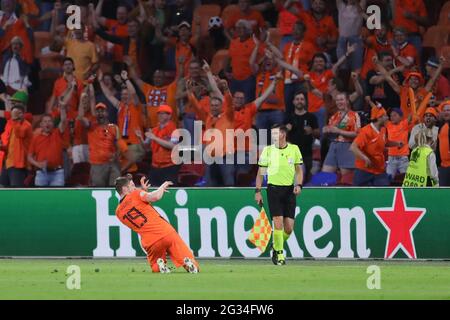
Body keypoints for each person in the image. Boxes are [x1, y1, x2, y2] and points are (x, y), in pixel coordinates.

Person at [115, 174, 199, 273]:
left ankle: (160, 265)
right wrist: (162, 187)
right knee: (193, 264)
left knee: (155, 266)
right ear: (125, 189)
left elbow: (137, 211)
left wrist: (143, 192)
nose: (135, 187)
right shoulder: (136, 194)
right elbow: (155, 197)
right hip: (166, 232)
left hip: (151, 242)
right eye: (132, 185)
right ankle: (188, 263)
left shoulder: (118, 212)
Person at [255, 124, 303, 266]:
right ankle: (280, 256)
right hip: (273, 189)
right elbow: (260, 173)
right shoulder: (268, 151)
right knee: (278, 222)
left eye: (275, 133)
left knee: (289, 228)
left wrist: (298, 185)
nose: (273, 136)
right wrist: (258, 191)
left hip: (289, 191)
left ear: (283, 134)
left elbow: (299, 171)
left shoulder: (294, 149)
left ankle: (276, 245)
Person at [350, 105, 402, 186]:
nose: (388, 118)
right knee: (358, 196)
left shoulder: (383, 129)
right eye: (385, 116)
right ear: (379, 118)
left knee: (382, 194)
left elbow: (385, 142)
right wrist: (365, 158)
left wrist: (397, 143)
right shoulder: (366, 131)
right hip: (364, 171)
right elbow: (353, 147)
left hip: (379, 170)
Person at [79, 102, 121, 187]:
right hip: (97, 165)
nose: (100, 113)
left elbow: (119, 145)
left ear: (107, 113)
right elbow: (80, 118)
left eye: (102, 111)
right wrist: (82, 100)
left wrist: (116, 156)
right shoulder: (91, 126)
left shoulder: (114, 127)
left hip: (113, 164)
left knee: (116, 190)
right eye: (98, 111)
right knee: (99, 190)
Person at [322, 92, 361, 181]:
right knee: (325, 177)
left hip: (347, 147)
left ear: (347, 101)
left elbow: (357, 134)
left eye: (341, 99)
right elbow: (331, 133)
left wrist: (339, 131)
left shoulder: (354, 115)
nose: (339, 102)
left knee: (346, 179)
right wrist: (326, 130)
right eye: (337, 100)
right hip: (333, 146)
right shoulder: (333, 117)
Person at [27, 106, 67, 187]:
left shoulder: (57, 134)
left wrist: (62, 108)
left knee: (57, 198)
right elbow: (29, 157)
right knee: (41, 198)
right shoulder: (36, 138)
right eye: (45, 121)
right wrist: (37, 164)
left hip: (57, 173)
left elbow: (63, 121)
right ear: (41, 124)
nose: (47, 123)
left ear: (53, 124)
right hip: (41, 173)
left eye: (49, 121)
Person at [141, 105, 180, 187]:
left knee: (169, 192)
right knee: (152, 191)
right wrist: (141, 138)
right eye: (159, 114)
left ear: (169, 115)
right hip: (155, 166)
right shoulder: (154, 130)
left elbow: (172, 145)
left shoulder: (174, 129)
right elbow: (146, 148)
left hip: (169, 166)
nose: (160, 116)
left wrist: (155, 138)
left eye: (163, 113)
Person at [285, 91, 320, 183]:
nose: (299, 101)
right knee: (294, 179)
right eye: (297, 99)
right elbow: (279, 136)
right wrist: (286, 130)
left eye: (302, 99)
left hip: (307, 153)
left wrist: (312, 131)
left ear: (305, 101)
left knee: (308, 179)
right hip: (292, 155)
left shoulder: (311, 117)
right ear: (293, 102)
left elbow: (318, 134)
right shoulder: (288, 117)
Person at [0, 93, 33, 187]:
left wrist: (7, 103)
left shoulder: (27, 120)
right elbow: (7, 142)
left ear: (23, 105)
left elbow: (20, 134)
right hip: (6, 163)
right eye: (12, 103)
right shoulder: (10, 122)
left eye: (15, 103)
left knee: (16, 191)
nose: (13, 106)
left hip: (18, 164)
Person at [438, 102, 450, 186]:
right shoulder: (442, 126)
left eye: (448, 110)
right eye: (444, 110)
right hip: (443, 166)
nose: (446, 112)